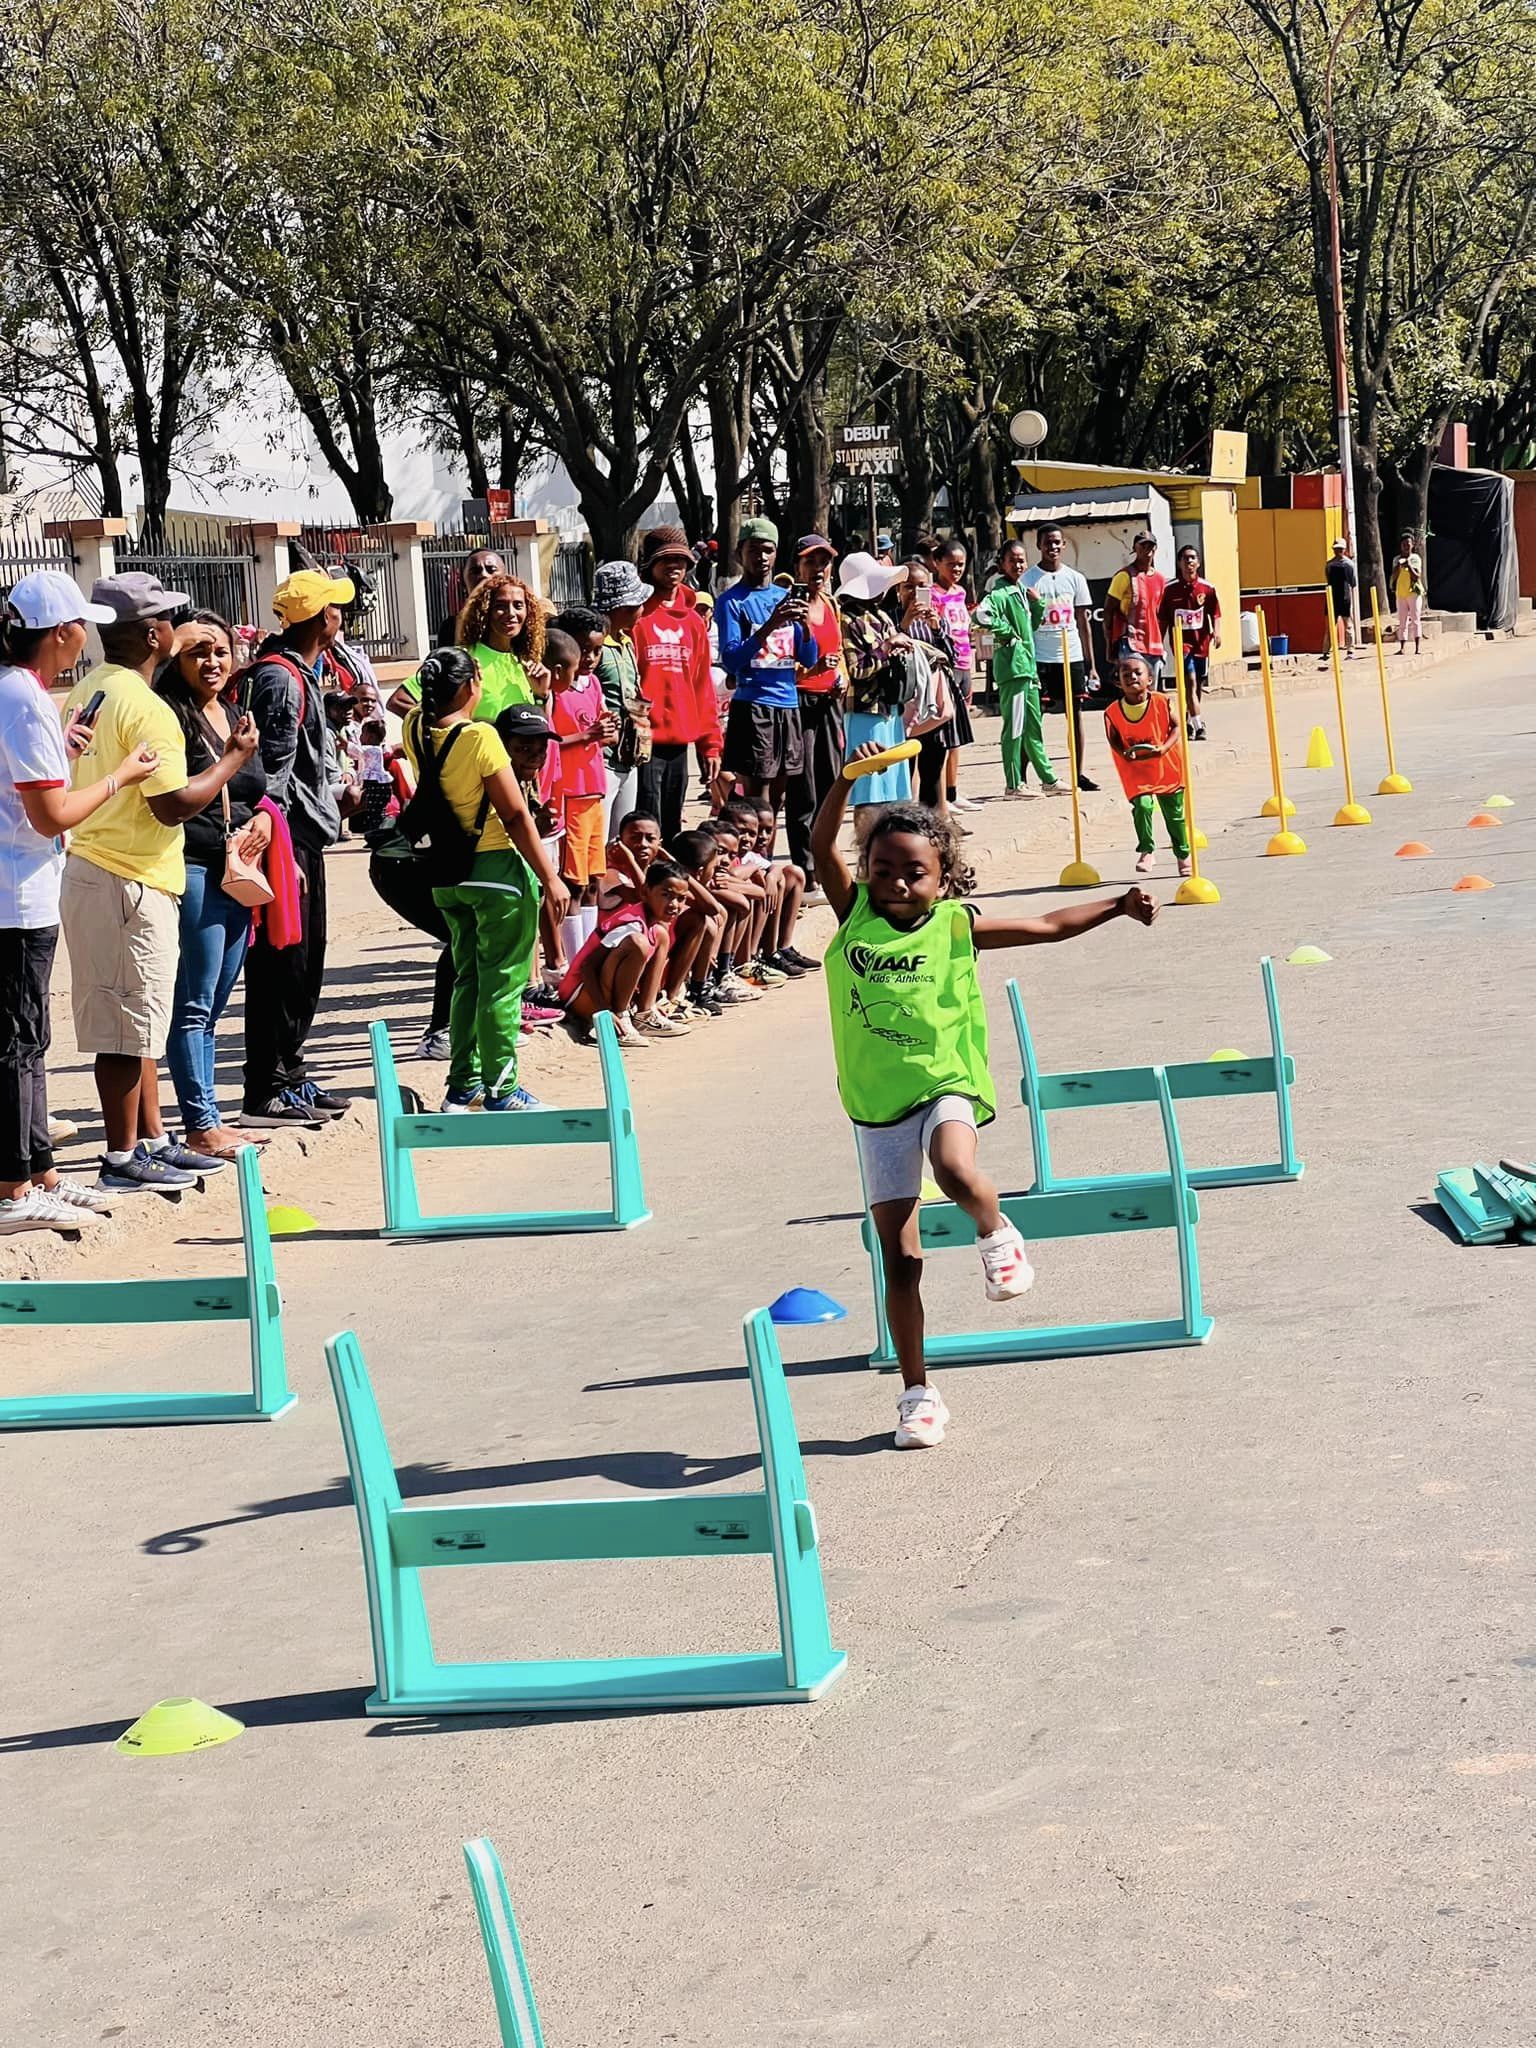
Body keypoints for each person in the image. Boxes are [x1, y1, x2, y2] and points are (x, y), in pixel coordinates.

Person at [811, 748, 1158, 1448]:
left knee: (954, 1169)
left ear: (944, 877)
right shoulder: (854, 917)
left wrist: (1117, 906)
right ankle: (918, 1396)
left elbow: (1046, 926)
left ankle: (997, 1232)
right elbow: (821, 845)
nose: (897, 882)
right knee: (900, 1259)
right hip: (877, 1105)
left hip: (946, 1083)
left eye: (915, 872)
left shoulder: (955, 926)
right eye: (883, 869)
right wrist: (845, 780)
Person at [62, 572, 255, 1194]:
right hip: (128, 875)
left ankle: (150, 1140)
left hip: (106, 866)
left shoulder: (92, 687)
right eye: (170, 618)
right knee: (125, 1029)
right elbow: (172, 805)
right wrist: (234, 758)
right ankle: (122, 1158)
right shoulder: (147, 706)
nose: (178, 626)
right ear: (153, 634)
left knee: (140, 1022)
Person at [0, 571, 159, 1231]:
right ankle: (13, 1189)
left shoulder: (20, 691)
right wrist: (120, 776)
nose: (85, 639)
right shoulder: (23, 696)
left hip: (23, 892)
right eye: (80, 628)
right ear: (62, 633)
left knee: (30, 1039)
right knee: (18, 1043)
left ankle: (39, 1174)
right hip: (16, 897)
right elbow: (51, 816)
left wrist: (62, 754)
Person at [401, 647, 569, 1111]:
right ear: (469, 686)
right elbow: (515, 814)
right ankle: (502, 1087)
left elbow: (415, 708)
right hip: (494, 867)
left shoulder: (414, 726)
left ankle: (464, 1084)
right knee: (503, 984)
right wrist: (550, 877)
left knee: (468, 979)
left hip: (445, 871)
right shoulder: (480, 737)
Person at [155, 611, 272, 1162]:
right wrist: (231, 759)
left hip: (237, 871)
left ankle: (210, 1120)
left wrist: (264, 818)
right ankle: (200, 1124)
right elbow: (178, 799)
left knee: (217, 1001)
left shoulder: (231, 712)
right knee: (194, 1004)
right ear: (176, 659)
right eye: (197, 651)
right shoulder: (170, 716)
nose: (211, 661)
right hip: (195, 869)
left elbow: (255, 789)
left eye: (220, 650)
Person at [241, 568, 353, 1129]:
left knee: (304, 966)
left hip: (302, 837)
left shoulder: (303, 672)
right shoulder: (282, 680)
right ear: (321, 618)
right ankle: (267, 1087)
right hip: (286, 842)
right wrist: (279, 856)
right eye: (336, 608)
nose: (342, 617)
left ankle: (291, 1072)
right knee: (282, 967)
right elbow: (273, 774)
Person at [714, 517, 818, 820]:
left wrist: (806, 626)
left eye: (768, 550)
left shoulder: (784, 596)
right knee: (757, 801)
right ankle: (754, 849)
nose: (761, 557)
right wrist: (770, 624)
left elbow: (808, 658)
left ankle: (767, 850)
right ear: (739, 554)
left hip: (788, 705)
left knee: (778, 800)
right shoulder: (731, 602)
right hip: (754, 705)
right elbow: (731, 659)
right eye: (754, 550)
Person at [632, 527, 717, 840]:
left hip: (680, 742)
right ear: (649, 566)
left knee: (672, 826)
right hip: (643, 742)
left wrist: (710, 745)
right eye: (665, 559)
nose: (674, 566)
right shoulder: (636, 617)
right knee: (646, 825)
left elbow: (702, 687)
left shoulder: (694, 622)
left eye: (680, 560)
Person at [559, 857, 693, 1048]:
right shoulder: (631, 924)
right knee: (639, 943)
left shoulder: (652, 925)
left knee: (661, 935)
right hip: (580, 994)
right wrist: (604, 1011)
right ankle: (620, 1017)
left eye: (681, 899)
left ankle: (645, 1014)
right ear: (645, 892)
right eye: (666, 895)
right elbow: (587, 966)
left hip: (599, 991)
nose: (674, 904)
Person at [388, 573, 548, 722]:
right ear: (485, 610)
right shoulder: (463, 659)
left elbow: (540, 725)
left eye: (518, 605)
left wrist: (541, 695)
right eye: (500, 606)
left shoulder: (528, 664)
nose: (511, 613)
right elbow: (399, 701)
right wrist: (452, 731)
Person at [546, 625, 615, 960]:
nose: (590, 658)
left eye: (597, 651)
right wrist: (588, 736)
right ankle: (574, 961)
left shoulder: (593, 684)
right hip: (569, 793)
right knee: (573, 882)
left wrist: (609, 731)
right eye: (585, 651)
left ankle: (589, 954)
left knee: (592, 881)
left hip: (594, 790)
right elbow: (548, 743)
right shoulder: (553, 693)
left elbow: (603, 732)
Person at [783, 535, 845, 894]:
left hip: (830, 704)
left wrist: (840, 680)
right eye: (810, 562)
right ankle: (806, 871)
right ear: (797, 567)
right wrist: (812, 670)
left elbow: (840, 654)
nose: (818, 569)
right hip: (799, 702)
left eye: (824, 562)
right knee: (803, 790)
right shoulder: (789, 608)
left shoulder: (831, 604)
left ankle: (826, 863)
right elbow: (780, 663)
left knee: (830, 784)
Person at [978, 539, 1062, 797]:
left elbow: (1031, 626)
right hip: (1013, 670)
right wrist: (1007, 633)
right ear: (1002, 563)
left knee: (1033, 727)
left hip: (1028, 668)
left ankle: (1048, 779)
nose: (1018, 565)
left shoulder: (1022, 591)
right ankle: (1013, 784)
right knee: (1014, 728)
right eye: (1012, 560)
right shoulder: (1000, 594)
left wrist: (1037, 605)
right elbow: (981, 615)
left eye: (1021, 560)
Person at [1022, 524, 1099, 789]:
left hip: (1071, 654)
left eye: (1057, 542)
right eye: (1047, 543)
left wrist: (1091, 665)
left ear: (1064, 545)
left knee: (1075, 714)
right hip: (1041, 656)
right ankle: (1021, 776)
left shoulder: (1075, 578)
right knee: (1035, 717)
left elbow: (1083, 622)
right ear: (1039, 546)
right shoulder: (1029, 579)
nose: (1052, 547)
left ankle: (1078, 773)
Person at [836, 551, 914, 811]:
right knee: (869, 791)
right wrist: (888, 647)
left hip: (890, 707)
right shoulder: (847, 620)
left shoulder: (881, 615)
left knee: (893, 789)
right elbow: (857, 670)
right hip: (865, 710)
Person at [1104, 652, 1191, 876]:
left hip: (1166, 766)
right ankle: (1146, 850)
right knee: (1142, 806)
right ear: (1118, 682)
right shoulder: (1112, 712)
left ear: (1150, 679)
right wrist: (1124, 753)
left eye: (1137, 673)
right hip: (1136, 769)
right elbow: (1113, 739)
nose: (1132, 677)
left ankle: (1183, 854)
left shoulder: (1163, 701)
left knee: (1174, 814)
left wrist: (1164, 747)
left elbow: (1177, 727)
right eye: (1126, 674)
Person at [591, 563, 654, 839]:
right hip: (603, 759)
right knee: (601, 838)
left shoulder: (626, 642)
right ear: (623, 607)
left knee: (621, 839)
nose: (643, 609)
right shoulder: (596, 648)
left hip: (629, 756)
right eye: (639, 604)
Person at [928, 538, 979, 810]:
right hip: (945, 667)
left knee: (959, 732)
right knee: (943, 733)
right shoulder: (932, 594)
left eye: (961, 564)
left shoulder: (960, 592)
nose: (956, 569)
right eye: (951, 564)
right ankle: (939, 795)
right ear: (937, 563)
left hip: (964, 664)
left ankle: (953, 790)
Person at [1159, 544, 1221, 740]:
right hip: (1181, 645)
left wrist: (1217, 633)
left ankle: (1189, 721)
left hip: (1201, 644)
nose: (1189, 562)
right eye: (1185, 558)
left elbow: (1215, 614)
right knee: (1190, 681)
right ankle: (1199, 726)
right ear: (1179, 563)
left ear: (1198, 563)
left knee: (1196, 685)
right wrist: (1159, 643)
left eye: (1193, 558)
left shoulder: (1207, 588)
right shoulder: (1169, 590)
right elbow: (1163, 620)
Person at [1104, 531, 1167, 686]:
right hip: (1130, 642)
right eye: (1142, 545)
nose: (1147, 550)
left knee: (1150, 691)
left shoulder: (1160, 579)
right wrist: (1110, 644)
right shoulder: (1124, 576)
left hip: (1153, 645)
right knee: (1133, 688)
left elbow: (1159, 614)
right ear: (1135, 548)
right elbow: (1109, 610)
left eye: (1150, 546)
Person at [436, 545, 504, 645]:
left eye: (491, 569)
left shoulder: (515, 620)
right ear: (464, 582)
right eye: (475, 571)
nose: (483, 575)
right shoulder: (451, 627)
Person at [1324, 537, 1358, 663]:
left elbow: (1352, 582)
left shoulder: (1349, 564)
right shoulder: (1329, 564)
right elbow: (1328, 579)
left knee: (1348, 625)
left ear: (1344, 550)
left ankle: (1350, 650)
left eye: (1340, 549)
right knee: (1329, 626)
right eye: (1336, 549)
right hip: (1332, 596)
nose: (1338, 551)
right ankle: (1326, 651)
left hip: (1345, 597)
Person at [1391, 530, 1425, 654]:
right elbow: (1394, 577)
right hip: (1401, 593)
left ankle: (1417, 647)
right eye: (1404, 544)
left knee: (1415, 620)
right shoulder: (1396, 559)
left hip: (1413, 593)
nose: (1406, 547)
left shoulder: (1415, 558)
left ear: (1413, 545)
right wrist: (1398, 567)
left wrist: (1408, 565)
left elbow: (1416, 576)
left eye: (1408, 544)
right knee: (1402, 621)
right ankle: (1402, 647)